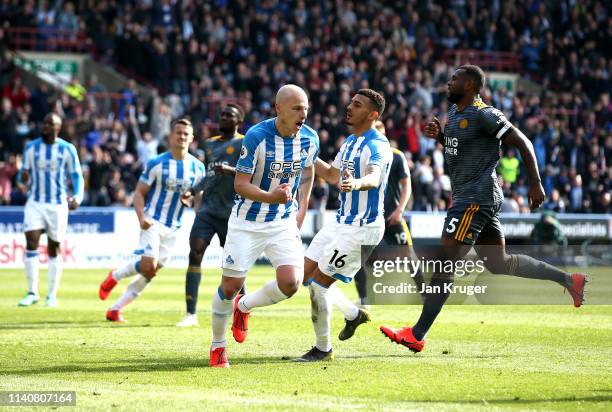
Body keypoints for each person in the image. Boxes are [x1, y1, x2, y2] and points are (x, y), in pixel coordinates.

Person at [380, 65, 587, 353]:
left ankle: (417, 333)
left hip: (474, 198)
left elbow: (522, 141)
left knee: (445, 263)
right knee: (498, 262)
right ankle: (569, 279)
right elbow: (461, 151)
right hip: (475, 196)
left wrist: (535, 183)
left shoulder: (485, 114)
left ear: (470, 85)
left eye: (454, 79)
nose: (448, 82)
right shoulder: (455, 114)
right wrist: (441, 138)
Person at [209, 84, 318, 368]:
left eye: (306, 108)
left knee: (291, 283)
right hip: (247, 221)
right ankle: (218, 346)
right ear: (278, 109)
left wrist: (302, 208)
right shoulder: (257, 136)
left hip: (282, 222)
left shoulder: (309, 138)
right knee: (230, 285)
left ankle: (244, 307)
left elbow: (308, 171)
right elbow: (240, 184)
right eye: (297, 108)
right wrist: (271, 196)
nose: (303, 114)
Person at [296, 89, 392, 362]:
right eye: (351, 102)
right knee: (304, 277)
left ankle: (322, 349)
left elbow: (374, 177)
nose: (349, 107)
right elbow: (331, 174)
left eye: (357, 105)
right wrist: (308, 155)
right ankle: (354, 314)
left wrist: (357, 183)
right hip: (339, 222)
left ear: (373, 114)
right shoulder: (350, 141)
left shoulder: (379, 145)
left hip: (363, 228)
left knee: (318, 285)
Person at [98, 118, 205, 322]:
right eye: (178, 132)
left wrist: (197, 213)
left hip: (174, 228)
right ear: (170, 136)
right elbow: (139, 193)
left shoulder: (198, 168)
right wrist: (141, 218)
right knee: (148, 265)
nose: (181, 136)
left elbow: (197, 199)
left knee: (151, 272)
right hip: (153, 221)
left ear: (192, 138)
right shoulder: (156, 163)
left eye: (186, 134)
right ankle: (116, 276)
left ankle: (115, 309)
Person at [176, 104, 246, 327]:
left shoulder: (245, 142)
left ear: (239, 121)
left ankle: (242, 310)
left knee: (234, 266)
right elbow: (209, 175)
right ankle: (190, 314)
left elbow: (251, 174)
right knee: (195, 253)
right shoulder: (209, 145)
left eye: (230, 115)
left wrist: (230, 171)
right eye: (222, 114)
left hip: (232, 213)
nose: (224, 117)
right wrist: (192, 191)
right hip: (207, 211)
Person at [352, 120, 425, 309]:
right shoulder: (361, 156)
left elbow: (406, 184)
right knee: (359, 258)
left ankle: (426, 295)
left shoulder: (396, 156)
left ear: (384, 133)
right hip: (369, 216)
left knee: (409, 254)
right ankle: (364, 300)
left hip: (392, 216)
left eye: (378, 130)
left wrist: (400, 210)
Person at [17, 113, 84, 307]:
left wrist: (77, 197)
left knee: (54, 248)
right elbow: (23, 175)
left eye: (51, 124)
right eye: (45, 123)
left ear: (58, 128)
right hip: (35, 202)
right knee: (31, 242)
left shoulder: (67, 149)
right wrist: (22, 180)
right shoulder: (31, 148)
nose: (46, 126)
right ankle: (32, 292)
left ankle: (51, 295)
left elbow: (77, 175)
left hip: (57, 205)